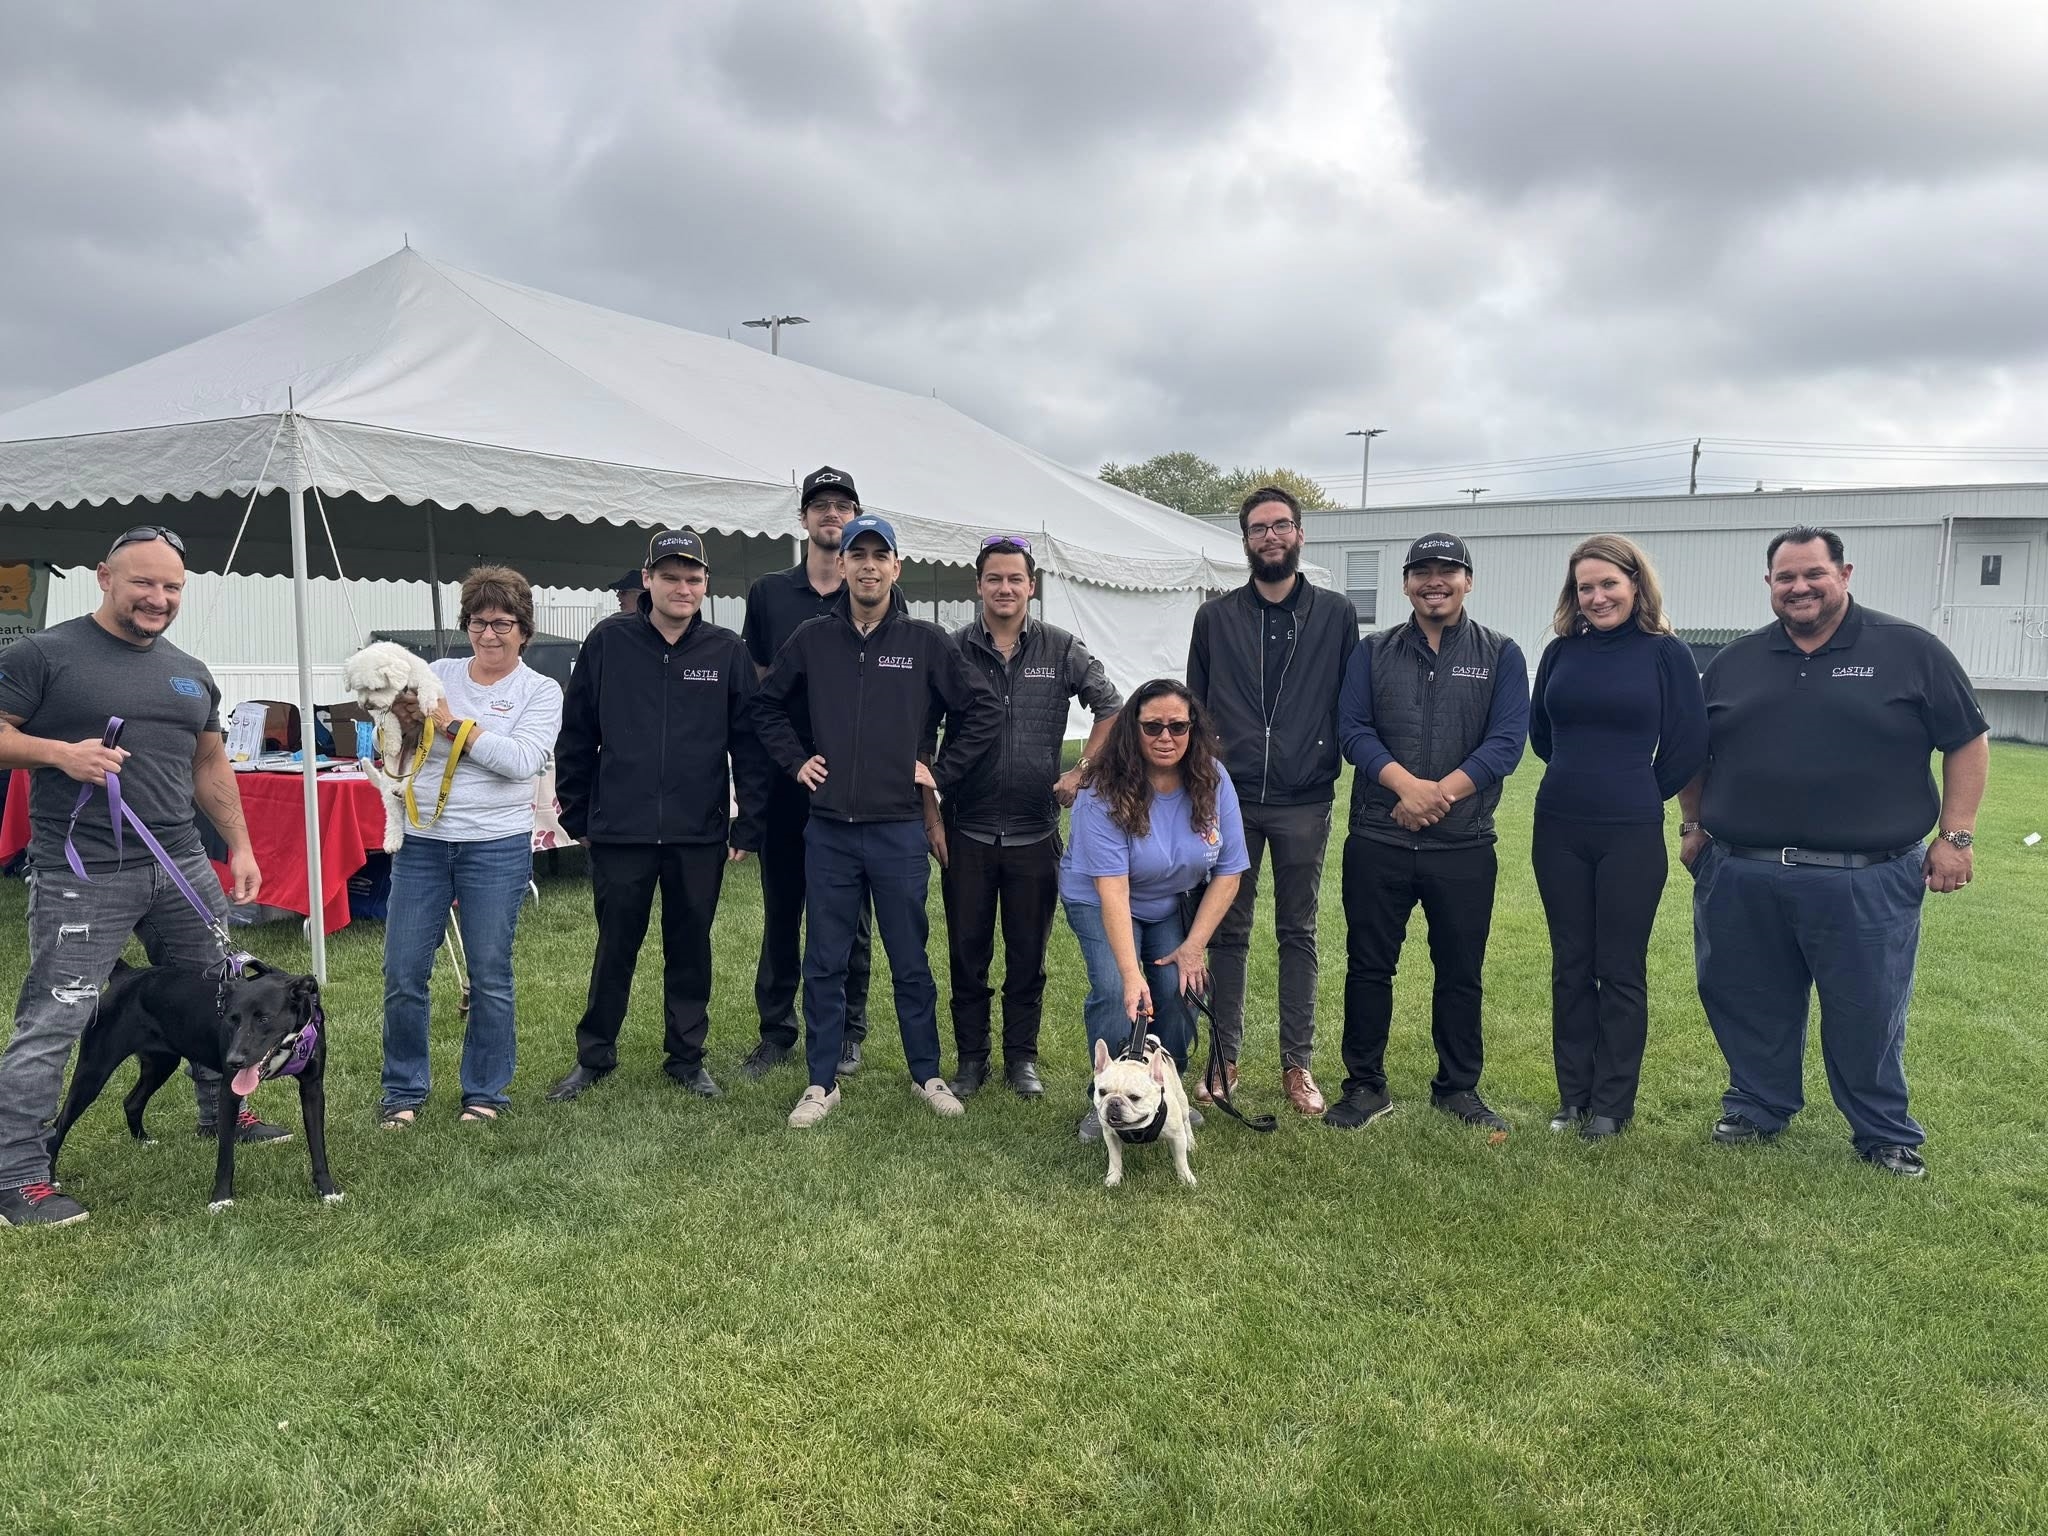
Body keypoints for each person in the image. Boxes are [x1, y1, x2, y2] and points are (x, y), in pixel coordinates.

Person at [1678, 526, 1987, 1178]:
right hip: (1741, 872)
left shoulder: (1910, 651)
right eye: (1785, 577)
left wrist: (1956, 837)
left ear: (1844, 573)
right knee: (1745, 997)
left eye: (1813, 573)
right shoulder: (1733, 662)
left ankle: (1882, 1132)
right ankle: (1758, 1107)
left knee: (1868, 1010)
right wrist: (1692, 825)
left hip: (1866, 879)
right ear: (1769, 586)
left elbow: (1967, 740)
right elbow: (1692, 752)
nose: (1800, 587)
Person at [0, 526, 279, 1228]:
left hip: (181, 868)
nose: (157, 598)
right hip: (82, 877)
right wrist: (58, 754)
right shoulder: (44, 654)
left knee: (225, 999)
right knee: (56, 1018)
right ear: (104, 577)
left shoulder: (188, 670)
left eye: (172, 587)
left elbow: (209, 763)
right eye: (143, 583)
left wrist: (239, 846)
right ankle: (18, 1175)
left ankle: (226, 1115)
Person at [753, 511, 1000, 1128]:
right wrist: (794, 761)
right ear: (841, 566)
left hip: (897, 830)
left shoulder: (924, 643)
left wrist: (940, 773)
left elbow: (982, 711)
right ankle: (819, 1082)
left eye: (878, 556)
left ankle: (927, 1073)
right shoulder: (812, 638)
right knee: (825, 960)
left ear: (896, 567)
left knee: (909, 959)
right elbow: (765, 706)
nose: (866, 566)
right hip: (830, 829)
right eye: (856, 556)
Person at [548, 528, 772, 1103]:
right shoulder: (607, 642)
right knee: (615, 944)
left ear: (705, 586)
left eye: (693, 578)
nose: (682, 587)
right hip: (620, 830)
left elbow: (748, 744)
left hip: (698, 832)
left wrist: (749, 820)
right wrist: (577, 811)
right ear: (646, 581)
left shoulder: (726, 651)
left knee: (690, 946)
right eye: (670, 576)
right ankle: (594, 1056)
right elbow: (577, 733)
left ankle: (686, 1058)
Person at [1329, 532, 1529, 1133]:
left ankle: (1458, 1087)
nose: (1433, 582)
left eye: (1447, 571)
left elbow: (1506, 742)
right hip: (1379, 837)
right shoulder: (1372, 650)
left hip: (1463, 844)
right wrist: (1405, 787)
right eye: (1421, 572)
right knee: (1368, 967)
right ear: (1406, 584)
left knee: (1460, 971)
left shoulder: (1501, 652)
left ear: (1469, 580)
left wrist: (1437, 795)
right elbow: (1353, 729)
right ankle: (1364, 1085)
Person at [1187, 486, 1358, 1117]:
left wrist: (1322, 753)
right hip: (1230, 796)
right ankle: (1224, 1058)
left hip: (1303, 798)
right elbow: (1194, 710)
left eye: (1281, 526)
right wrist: (1202, 787)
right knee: (1228, 929)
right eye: (1258, 529)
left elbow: (1349, 700)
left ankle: (1297, 1064)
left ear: (1300, 535)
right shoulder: (1216, 618)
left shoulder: (1336, 614)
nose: (1271, 537)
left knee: (1299, 930)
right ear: (1246, 541)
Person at [1528, 535, 1706, 1139]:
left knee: (1619, 968)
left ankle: (1611, 1105)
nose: (1597, 597)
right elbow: (1541, 736)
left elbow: (1689, 742)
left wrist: (1636, 788)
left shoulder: (1665, 654)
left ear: (1635, 585)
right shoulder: (1559, 654)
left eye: (1609, 584)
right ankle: (1572, 1097)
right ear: (1573, 595)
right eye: (1586, 587)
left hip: (1629, 830)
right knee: (1570, 965)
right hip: (1558, 825)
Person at [932, 536, 1121, 1100]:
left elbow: (1111, 707)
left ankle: (1021, 1060)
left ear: (1030, 587)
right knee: (967, 953)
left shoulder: (1061, 649)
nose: (1005, 588)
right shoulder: (953, 648)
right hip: (966, 829)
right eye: (994, 579)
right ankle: (971, 1061)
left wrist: (1081, 769)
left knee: (1026, 957)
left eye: (1015, 579)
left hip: (1035, 832)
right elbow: (920, 728)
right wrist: (932, 817)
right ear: (979, 586)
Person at [377, 565, 564, 1127]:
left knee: (490, 973)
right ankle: (403, 1093)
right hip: (423, 841)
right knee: (403, 972)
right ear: (466, 626)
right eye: (478, 622)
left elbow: (522, 763)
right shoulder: (436, 672)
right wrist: (398, 720)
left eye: (503, 623)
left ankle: (484, 1093)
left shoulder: (540, 689)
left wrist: (454, 724)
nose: (489, 635)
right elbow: (406, 742)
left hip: (496, 845)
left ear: (524, 630)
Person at [1060, 680, 1248, 1141]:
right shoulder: (1101, 788)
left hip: (1168, 900)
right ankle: (1104, 1097)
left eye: (1178, 726)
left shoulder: (1214, 779)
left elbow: (1230, 871)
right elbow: (1114, 892)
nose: (1166, 737)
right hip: (1099, 896)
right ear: (1132, 729)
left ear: (1193, 729)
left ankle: (1167, 1091)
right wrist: (1129, 973)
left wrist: (1193, 948)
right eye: (1153, 727)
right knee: (1112, 991)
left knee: (1177, 987)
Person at [739, 466, 875, 1080]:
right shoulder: (770, 594)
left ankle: (849, 1029)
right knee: (782, 908)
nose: (831, 514)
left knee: (849, 914)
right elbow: (757, 686)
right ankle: (777, 1032)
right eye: (820, 506)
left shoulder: (869, 593)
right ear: (803, 520)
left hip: (853, 782)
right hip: (787, 780)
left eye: (843, 506)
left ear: (856, 517)